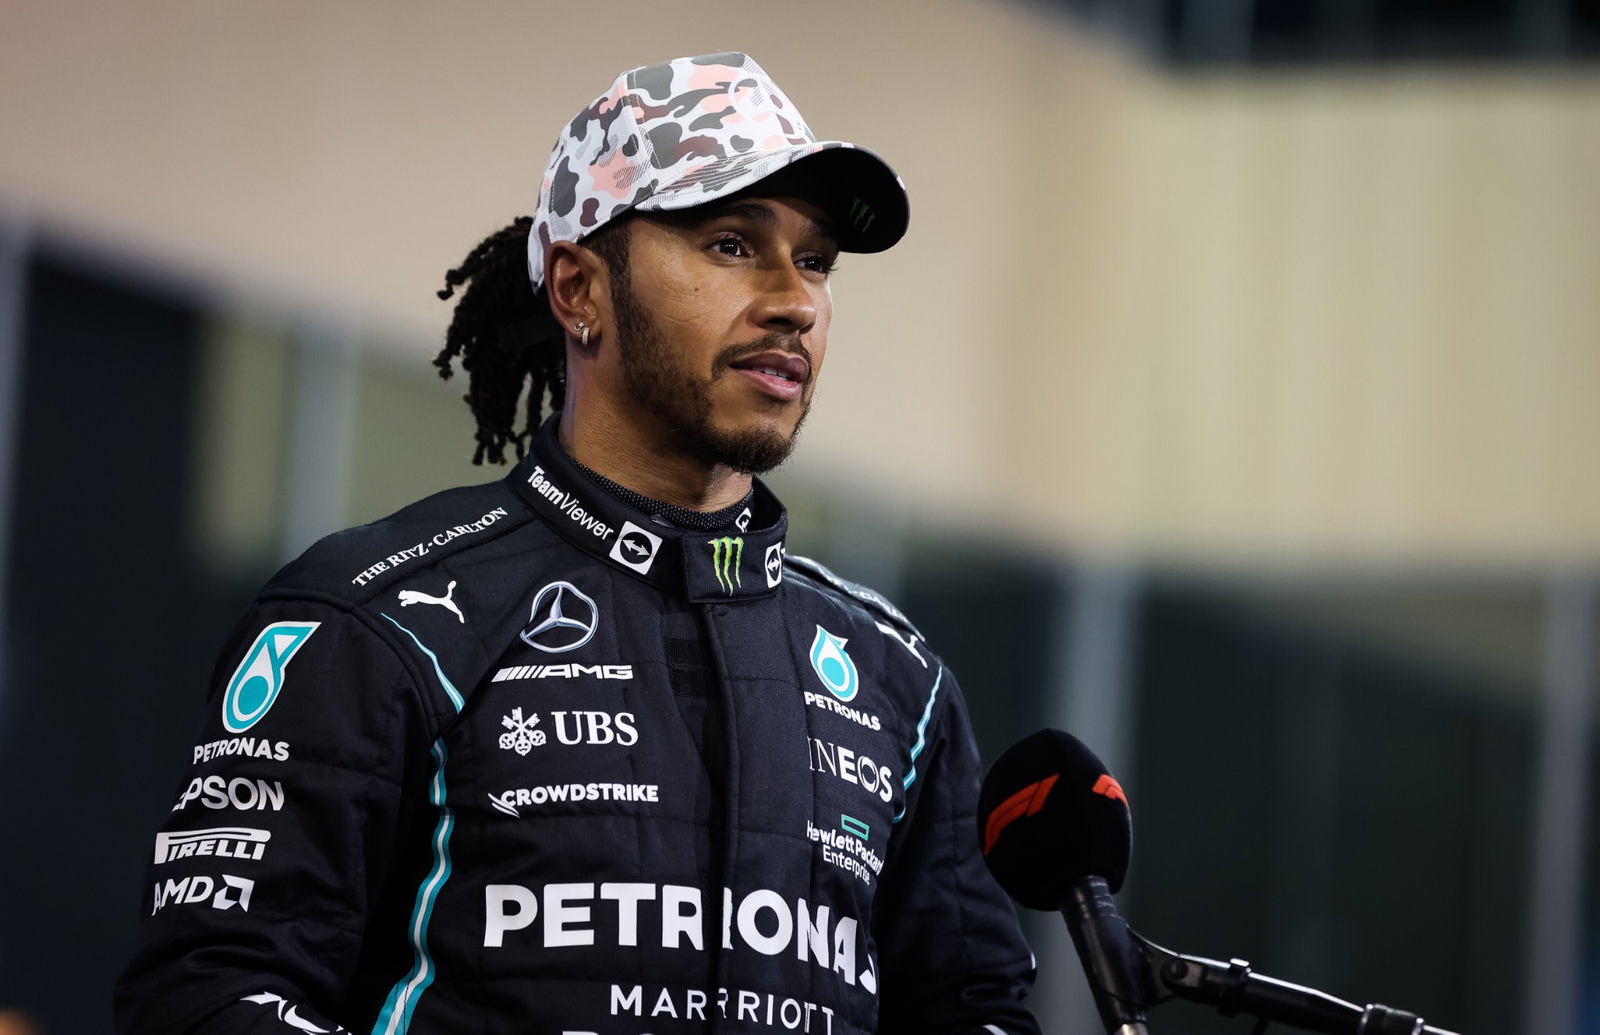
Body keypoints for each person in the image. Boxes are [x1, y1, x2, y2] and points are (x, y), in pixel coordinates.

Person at [116, 52, 1040, 1035]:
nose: (795, 302)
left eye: (814, 261)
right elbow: (206, 998)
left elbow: (975, 1013)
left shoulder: (899, 681)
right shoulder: (374, 618)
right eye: (732, 244)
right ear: (578, 289)